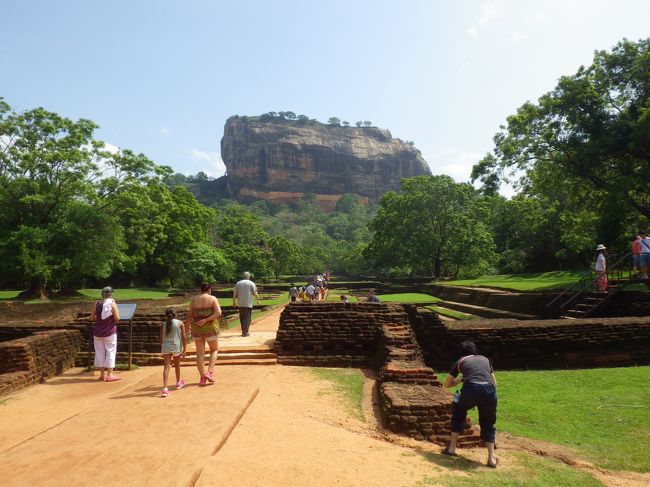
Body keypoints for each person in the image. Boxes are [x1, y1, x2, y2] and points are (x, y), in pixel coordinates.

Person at [443, 340, 498, 468]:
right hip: (489, 390)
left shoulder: (460, 362)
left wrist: (461, 379)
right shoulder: (485, 360)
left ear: (461, 354)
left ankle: (452, 448)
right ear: (474, 352)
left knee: (458, 413)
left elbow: (447, 384)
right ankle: (491, 458)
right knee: (488, 422)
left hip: (471, 389)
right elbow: (494, 383)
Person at [188, 283, 222, 386]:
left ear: (201, 290)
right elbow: (218, 313)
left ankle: (202, 378)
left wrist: (186, 326)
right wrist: (206, 319)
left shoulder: (194, 299)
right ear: (209, 289)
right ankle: (209, 372)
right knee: (214, 350)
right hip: (210, 328)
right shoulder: (212, 298)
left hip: (197, 329)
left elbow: (190, 315)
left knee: (200, 353)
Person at [91, 286, 121, 382]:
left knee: (99, 352)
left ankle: (102, 375)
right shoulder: (112, 304)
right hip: (110, 331)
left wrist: (100, 320)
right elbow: (117, 318)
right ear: (110, 294)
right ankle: (110, 375)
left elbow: (92, 318)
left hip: (98, 332)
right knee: (110, 352)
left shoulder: (97, 304)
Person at [160, 308, 186, 397]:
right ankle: (178, 382)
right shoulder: (180, 323)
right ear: (175, 315)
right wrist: (184, 349)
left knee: (166, 367)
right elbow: (183, 337)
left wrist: (162, 347)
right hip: (176, 346)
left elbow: (161, 338)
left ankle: (165, 388)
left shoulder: (163, 324)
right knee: (177, 365)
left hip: (166, 346)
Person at [233, 272, 260, 337]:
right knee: (248, 318)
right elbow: (254, 293)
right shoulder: (251, 283)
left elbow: (234, 293)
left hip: (240, 303)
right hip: (248, 303)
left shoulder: (238, 283)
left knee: (242, 318)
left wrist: (234, 302)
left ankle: (244, 331)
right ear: (249, 276)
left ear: (243, 276)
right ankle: (245, 332)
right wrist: (258, 299)